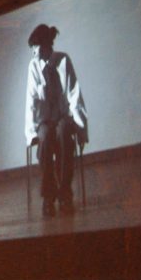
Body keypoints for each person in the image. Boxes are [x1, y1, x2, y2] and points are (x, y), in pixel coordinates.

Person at [24, 24, 88, 217]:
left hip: (62, 115)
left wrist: (81, 126)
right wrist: (30, 132)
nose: (34, 52)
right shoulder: (33, 66)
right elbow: (30, 100)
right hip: (44, 119)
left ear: (45, 45)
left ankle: (65, 193)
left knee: (63, 134)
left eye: (36, 47)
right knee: (44, 138)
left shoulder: (63, 60)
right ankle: (48, 196)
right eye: (32, 48)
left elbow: (74, 93)